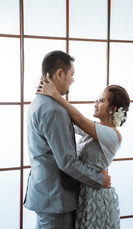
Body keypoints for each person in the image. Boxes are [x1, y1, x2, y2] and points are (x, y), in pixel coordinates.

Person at [23, 50, 111, 229]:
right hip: (57, 199)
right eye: (72, 74)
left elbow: (78, 125)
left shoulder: (38, 102)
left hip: (45, 195)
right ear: (59, 74)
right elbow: (67, 162)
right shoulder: (54, 110)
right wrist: (99, 180)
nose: (73, 80)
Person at [37, 75, 130, 229]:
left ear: (113, 109)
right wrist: (48, 94)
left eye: (101, 101)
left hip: (97, 198)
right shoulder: (95, 129)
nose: (95, 103)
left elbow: (78, 119)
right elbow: (70, 121)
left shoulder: (113, 135)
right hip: (85, 192)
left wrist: (54, 94)